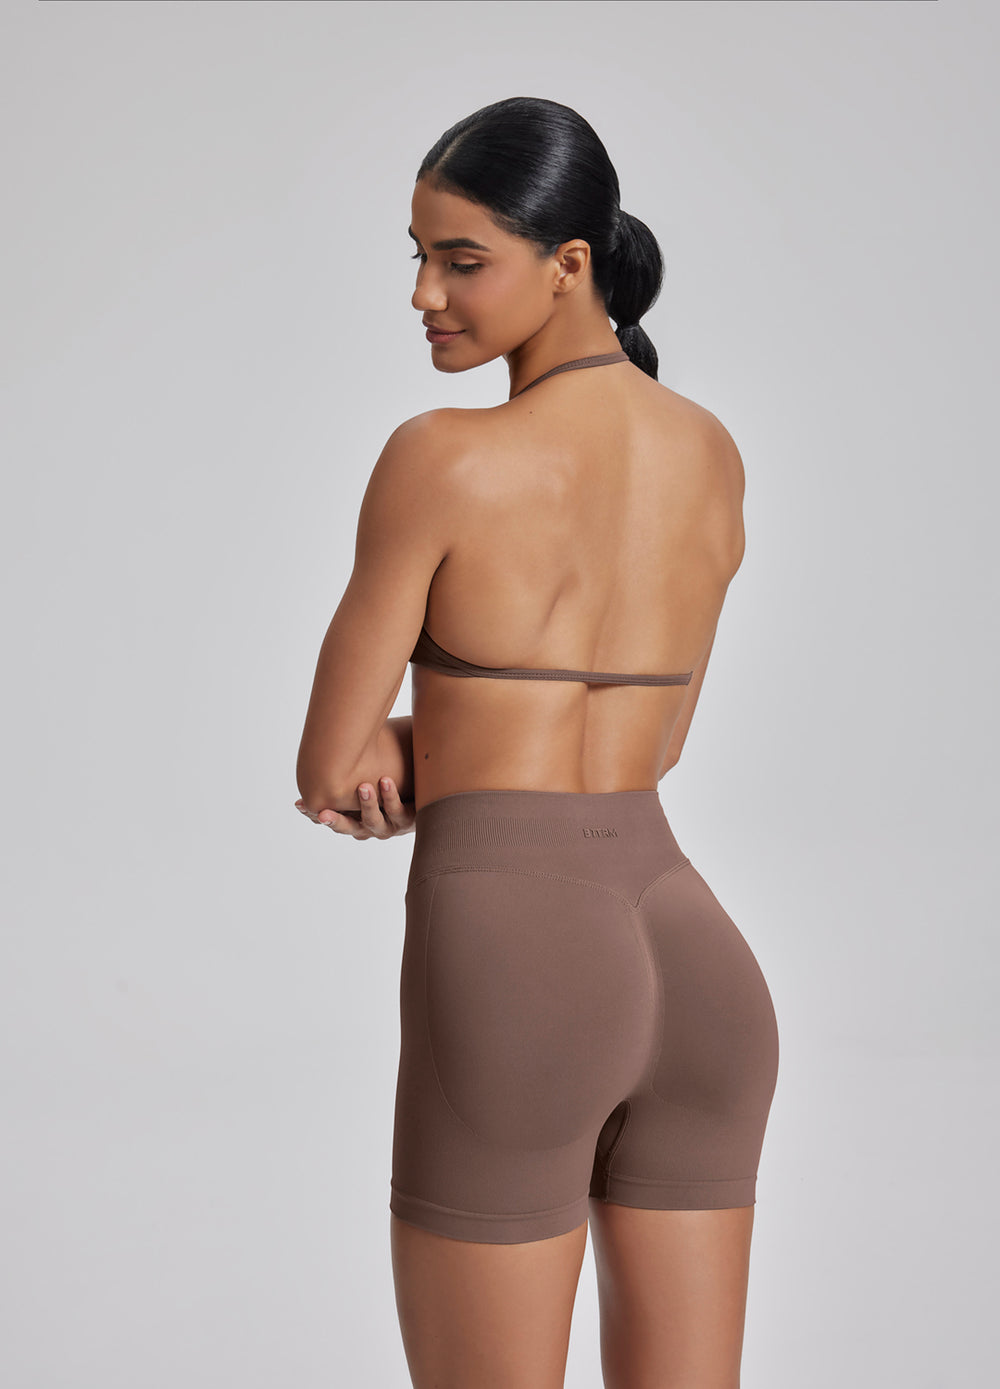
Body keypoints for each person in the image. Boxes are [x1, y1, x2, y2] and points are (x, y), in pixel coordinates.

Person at [295, 96, 779, 1389]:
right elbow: (656, 743)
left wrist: (437, 739)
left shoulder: (441, 459)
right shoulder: (709, 452)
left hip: (518, 963)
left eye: (462, 261)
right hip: (694, 956)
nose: (424, 295)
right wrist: (486, 725)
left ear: (570, 263)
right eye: (417, 256)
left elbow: (333, 769)